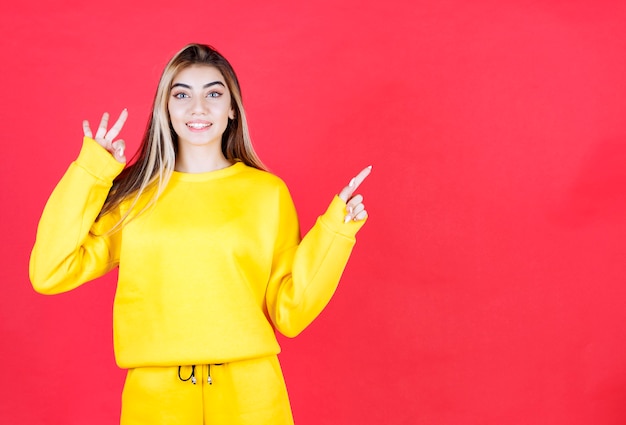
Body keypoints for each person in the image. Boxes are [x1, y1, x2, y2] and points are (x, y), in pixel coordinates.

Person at [29, 43, 370, 425]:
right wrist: (91, 171)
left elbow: (289, 311)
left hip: (251, 397)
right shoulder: (137, 197)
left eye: (213, 93)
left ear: (232, 109)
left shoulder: (267, 193)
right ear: (166, 109)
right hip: (156, 401)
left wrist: (335, 232)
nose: (198, 108)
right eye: (181, 94)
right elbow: (49, 271)